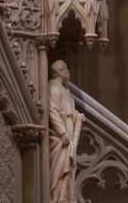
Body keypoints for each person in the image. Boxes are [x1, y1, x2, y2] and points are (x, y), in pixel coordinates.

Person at [48, 60, 84, 203]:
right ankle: (57, 199)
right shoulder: (53, 87)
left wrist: (77, 116)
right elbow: (52, 111)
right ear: (58, 72)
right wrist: (62, 133)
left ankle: (66, 198)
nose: (68, 71)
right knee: (59, 171)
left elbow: (68, 110)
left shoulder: (66, 90)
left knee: (68, 170)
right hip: (59, 136)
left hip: (67, 129)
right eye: (64, 68)